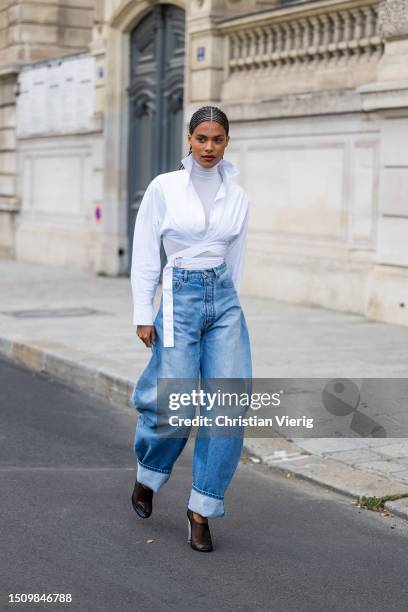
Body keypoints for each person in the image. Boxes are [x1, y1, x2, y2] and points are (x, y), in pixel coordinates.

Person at [129, 105, 252, 552]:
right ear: (189, 138)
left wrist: (231, 307)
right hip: (177, 297)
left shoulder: (237, 197)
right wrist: (144, 313)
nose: (209, 147)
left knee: (229, 405)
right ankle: (149, 475)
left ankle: (202, 508)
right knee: (175, 405)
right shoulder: (164, 187)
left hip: (223, 302)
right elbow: (145, 250)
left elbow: (235, 260)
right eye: (202, 138)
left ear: (226, 142)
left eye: (217, 139)